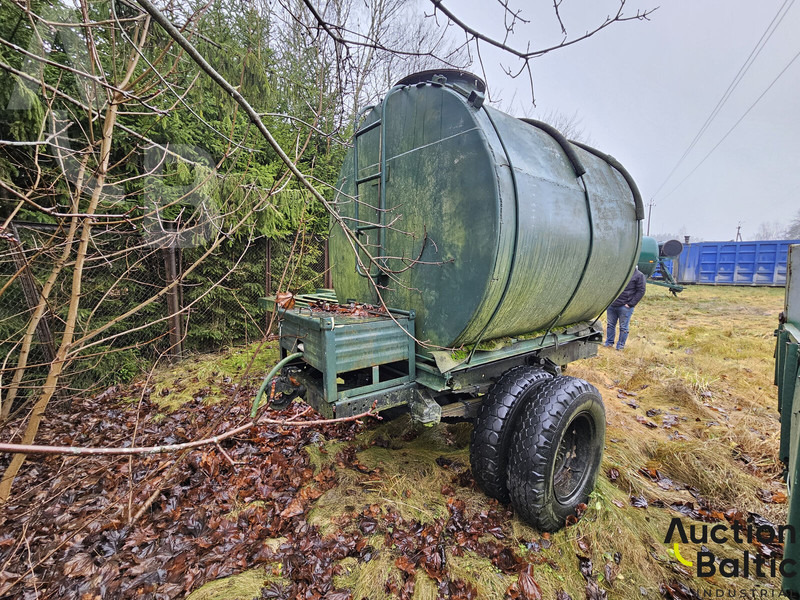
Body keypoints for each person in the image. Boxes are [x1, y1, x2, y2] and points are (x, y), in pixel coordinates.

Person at [604, 267, 646, 351]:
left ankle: (620, 346)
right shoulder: (618, 273)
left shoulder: (639, 275)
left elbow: (641, 291)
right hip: (612, 304)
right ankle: (609, 343)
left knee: (623, 327)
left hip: (625, 306)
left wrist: (630, 304)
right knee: (610, 325)